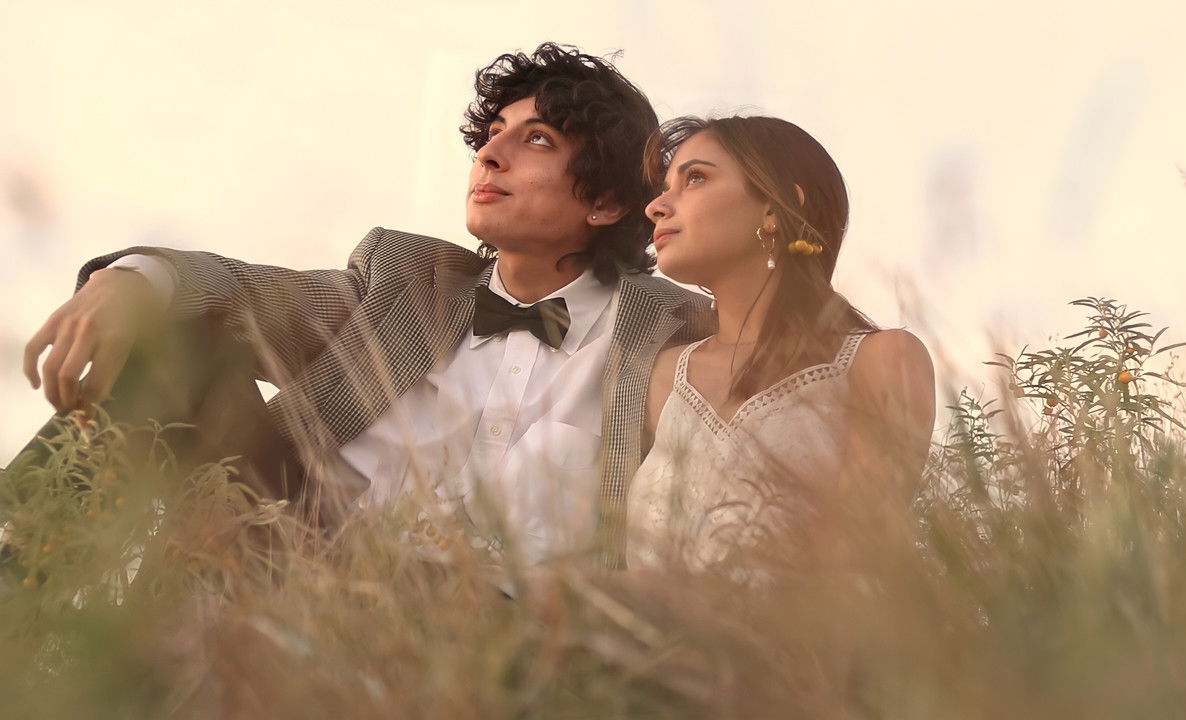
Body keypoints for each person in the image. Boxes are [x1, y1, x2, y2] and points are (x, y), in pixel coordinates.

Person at [19, 43, 714, 569]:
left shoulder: (672, 329)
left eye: (536, 139)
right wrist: (134, 282)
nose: (490, 155)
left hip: (508, 637)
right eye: (491, 134)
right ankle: (12, 562)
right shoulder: (404, 279)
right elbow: (242, 292)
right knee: (179, 337)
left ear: (607, 201)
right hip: (290, 580)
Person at [627, 116, 935, 571]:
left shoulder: (884, 360)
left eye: (695, 178)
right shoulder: (665, 375)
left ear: (775, 207)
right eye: (663, 187)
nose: (656, 206)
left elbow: (844, 576)